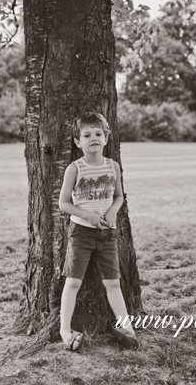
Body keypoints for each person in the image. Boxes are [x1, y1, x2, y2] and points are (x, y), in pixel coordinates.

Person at [57, 112, 139, 351]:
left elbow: (119, 196)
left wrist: (114, 209)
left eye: (98, 134)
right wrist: (88, 215)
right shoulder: (75, 169)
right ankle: (65, 330)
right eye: (86, 135)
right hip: (81, 234)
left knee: (113, 283)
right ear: (77, 142)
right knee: (73, 282)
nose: (93, 138)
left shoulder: (112, 166)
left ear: (106, 138)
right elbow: (63, 203)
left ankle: (127, 329)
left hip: (107, 234)